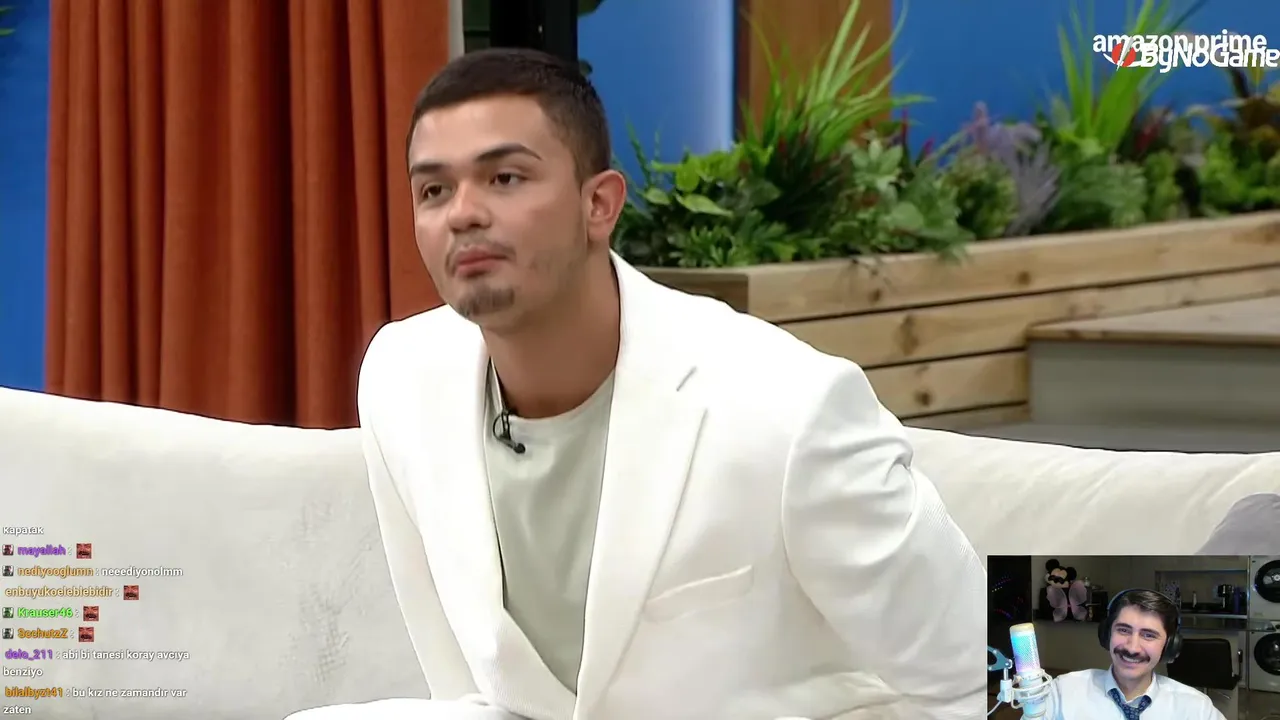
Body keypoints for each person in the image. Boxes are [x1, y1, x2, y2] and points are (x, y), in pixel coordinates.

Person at [287, 48, 986, 720]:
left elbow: (1010, 666)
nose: (462, 212)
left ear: (599, 204)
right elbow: (459, 673)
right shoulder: (401, 376)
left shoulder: (787, 403)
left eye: (505, 178)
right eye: (434, 190)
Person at [1044, 589, 1224, 719]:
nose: (1132, 648)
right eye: (1123, 630)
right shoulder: (1063, 692)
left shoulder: (1196, 709)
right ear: (1107, 634)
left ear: (1169, 645)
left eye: (1149, 635)